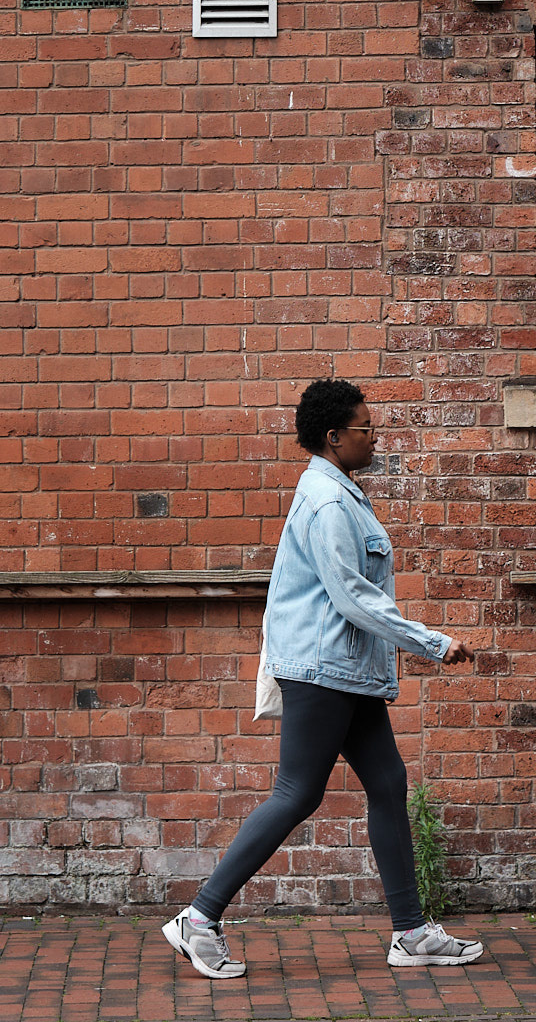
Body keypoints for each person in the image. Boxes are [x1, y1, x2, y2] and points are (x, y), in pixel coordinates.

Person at [163, 377, 483, 980]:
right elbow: (354, 597)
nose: (375, 436)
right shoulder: (330, 503)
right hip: (323, 668)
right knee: (296, 793)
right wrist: (432, 643)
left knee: (388, 783)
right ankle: (199, 918)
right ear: (334, 437)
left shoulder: (340, 491)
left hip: (344, 669)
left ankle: (410, 932)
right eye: (366, 428)